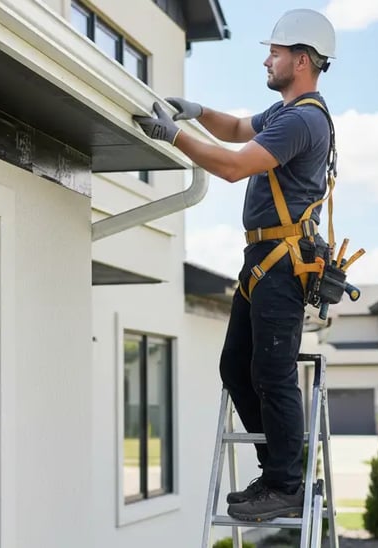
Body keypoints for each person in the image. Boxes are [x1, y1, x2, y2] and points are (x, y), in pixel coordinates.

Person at [133, 9, 337, 521]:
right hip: (264, 260)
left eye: (276, 52)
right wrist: (196, 110)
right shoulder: (285, 112)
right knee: (236, 367)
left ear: (303, 60)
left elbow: (231, 165)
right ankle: (279, 474)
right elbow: (238, 128)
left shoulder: (305, 119)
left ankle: (287, 483)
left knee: (272, 370)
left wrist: (172, 136)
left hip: (282, 262)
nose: (267, 59)